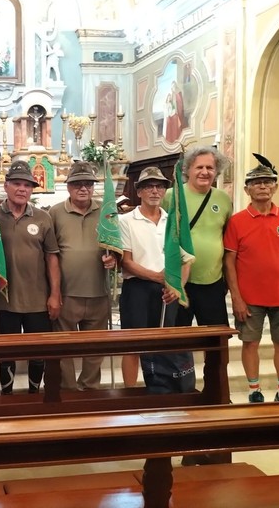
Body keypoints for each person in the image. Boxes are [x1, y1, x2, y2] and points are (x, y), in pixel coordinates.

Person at [224, 159, 279, 402]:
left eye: (267, 182)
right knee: (250, 344)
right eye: (256, 182)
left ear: (275, 187)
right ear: (247, 189)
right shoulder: (237, 221)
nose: (262, 186)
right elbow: (229, 262)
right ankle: (254, 390)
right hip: (249, 299)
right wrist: (237, 299)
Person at [0, 160, 61, 394]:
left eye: (27, 185)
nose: (21, 189)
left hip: (37, 299)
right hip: (3, 299)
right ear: (5, 186)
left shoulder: (43, 217)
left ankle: (33, 394)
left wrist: (55, 294)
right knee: (5, 353)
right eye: (16, 183)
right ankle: (7, 396)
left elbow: (52, 258)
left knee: (38, 352)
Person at [119, 166, 195, 393]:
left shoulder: (173, 220)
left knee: (163, 343)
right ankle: (131, 394)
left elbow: (185, 258)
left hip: (168, 290)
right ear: (139, 191)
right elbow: (127, 261)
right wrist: (158, 277)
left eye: (159, 186)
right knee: (132, 345)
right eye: (148, 186)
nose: (154, 191)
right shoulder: (126, 221)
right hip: (138, 289)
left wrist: (177, 286)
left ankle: (162, 389)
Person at [49, 162, 117, 390]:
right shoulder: (55, 213)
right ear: (68, 187)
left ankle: (89, 388)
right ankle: (68, 390)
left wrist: (114, 258)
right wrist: (54, 292)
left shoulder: (107, 211)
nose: (83, 189)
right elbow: (49, 253)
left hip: (98, 292)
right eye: (77, 184)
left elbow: (117, 246)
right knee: (64, 348)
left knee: (95, 348)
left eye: (88, 184)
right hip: (67, 294)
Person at [163, 147, 232, 328]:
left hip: (212, 281)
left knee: (215, 339)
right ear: (188, 170)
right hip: (179, 281)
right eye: (199, 167)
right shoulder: (171, 196)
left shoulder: (223, 198)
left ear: (216, 171)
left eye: (210, 168)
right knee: (176, 339)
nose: (204, 172)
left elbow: (227, 236)